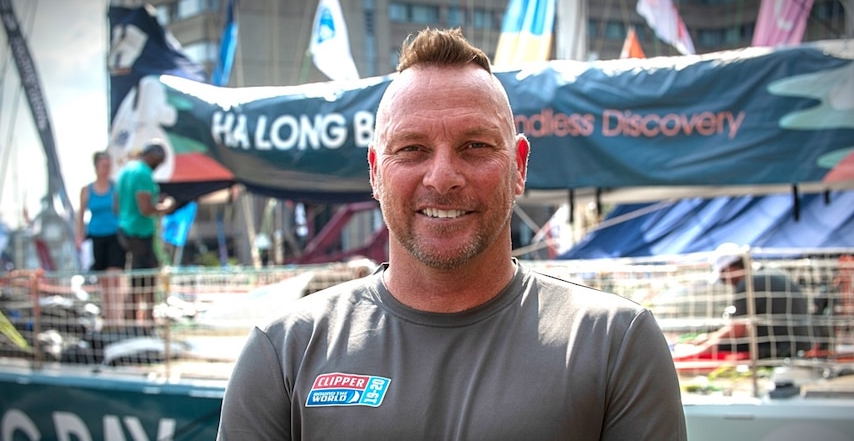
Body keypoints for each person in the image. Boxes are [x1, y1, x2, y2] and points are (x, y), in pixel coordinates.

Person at [217, 28, 686, 440]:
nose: (442, 177)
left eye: (475, 146)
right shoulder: (283, 353)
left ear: (519, 167)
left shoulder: (614, 344)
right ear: (376, 171)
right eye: (413, 148)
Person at [674, 243, 812, 360]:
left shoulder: (749, 284)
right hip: (799, 343)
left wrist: (696, 351)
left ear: (730, 269)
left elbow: (737, 330)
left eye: (723, 277)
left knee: (725, 345)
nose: (726, 282)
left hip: (777, 347)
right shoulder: (772, 273)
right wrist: (708, 337)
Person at [116, 141, 175, 327]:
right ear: (152, 156)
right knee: (147, 280)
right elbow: (145, 208)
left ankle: (133, 323)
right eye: (158, 161)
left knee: (135, 279)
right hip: (141, 233)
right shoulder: (143, 173)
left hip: (126, 231)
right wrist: (165, 207)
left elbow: (116, 206)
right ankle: (146, 324)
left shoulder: (126, 171)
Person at [75, 151, 127, 326]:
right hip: (96, 237)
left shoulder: (115, 187)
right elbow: (80, 214)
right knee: (104, 280)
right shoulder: (86, 190)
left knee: (115, 277)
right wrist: (79, 236)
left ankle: (117, 318)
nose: (107, 169)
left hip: (114, 236)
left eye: (109, 165)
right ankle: (108, 317)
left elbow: (121, 211)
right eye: (104, 165)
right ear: (96, 167)